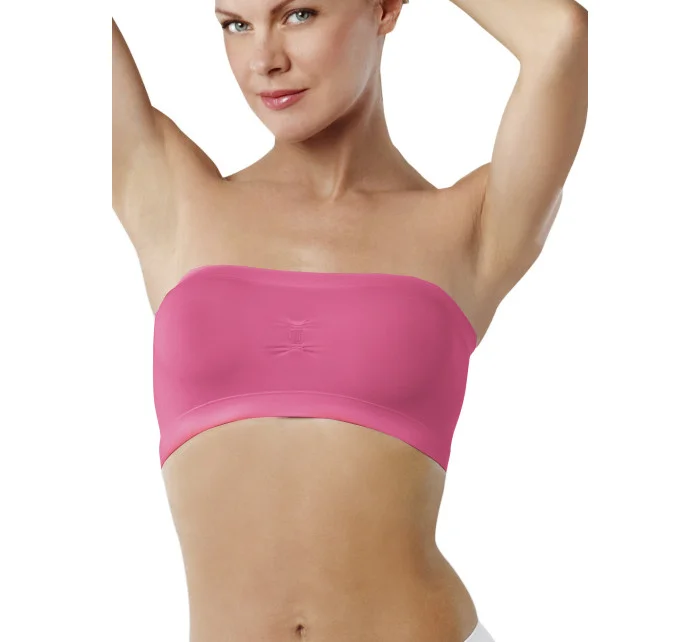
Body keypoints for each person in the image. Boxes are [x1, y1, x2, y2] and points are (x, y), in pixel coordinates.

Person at [112, 0, 587, 640]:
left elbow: (558, 36)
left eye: (299, 14)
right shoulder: (170, 194)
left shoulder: (471, 224)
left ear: (385, 8)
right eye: (236, 25)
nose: (264, 61)